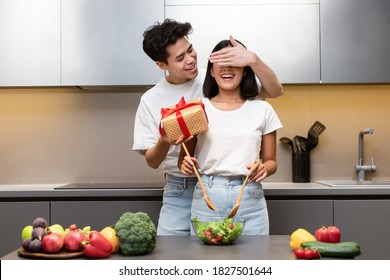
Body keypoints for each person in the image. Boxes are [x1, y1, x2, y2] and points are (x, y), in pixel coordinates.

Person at [133, 18, 283, 235]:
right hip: (180, 186)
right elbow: (152, 161)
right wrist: (165, 139)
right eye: (180, 58)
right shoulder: (151, 100)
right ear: (161, 65)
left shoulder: (219, 75)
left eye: (190, 50)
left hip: (223, 185)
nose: (190, 60)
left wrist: (252, 59)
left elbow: (275, 91)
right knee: (173, 253)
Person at [178, 39, 283, 235]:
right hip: (208, 197)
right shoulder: (196, 108)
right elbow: (183, 159)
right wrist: (185, 164)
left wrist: (263, 169)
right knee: (205, 261)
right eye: (220, 62)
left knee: (255, 260)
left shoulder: (263, 109)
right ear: (211, 70)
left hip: (250, 196)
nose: (227, 68)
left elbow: (271, 162)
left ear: (245, 70)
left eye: (234, 62)